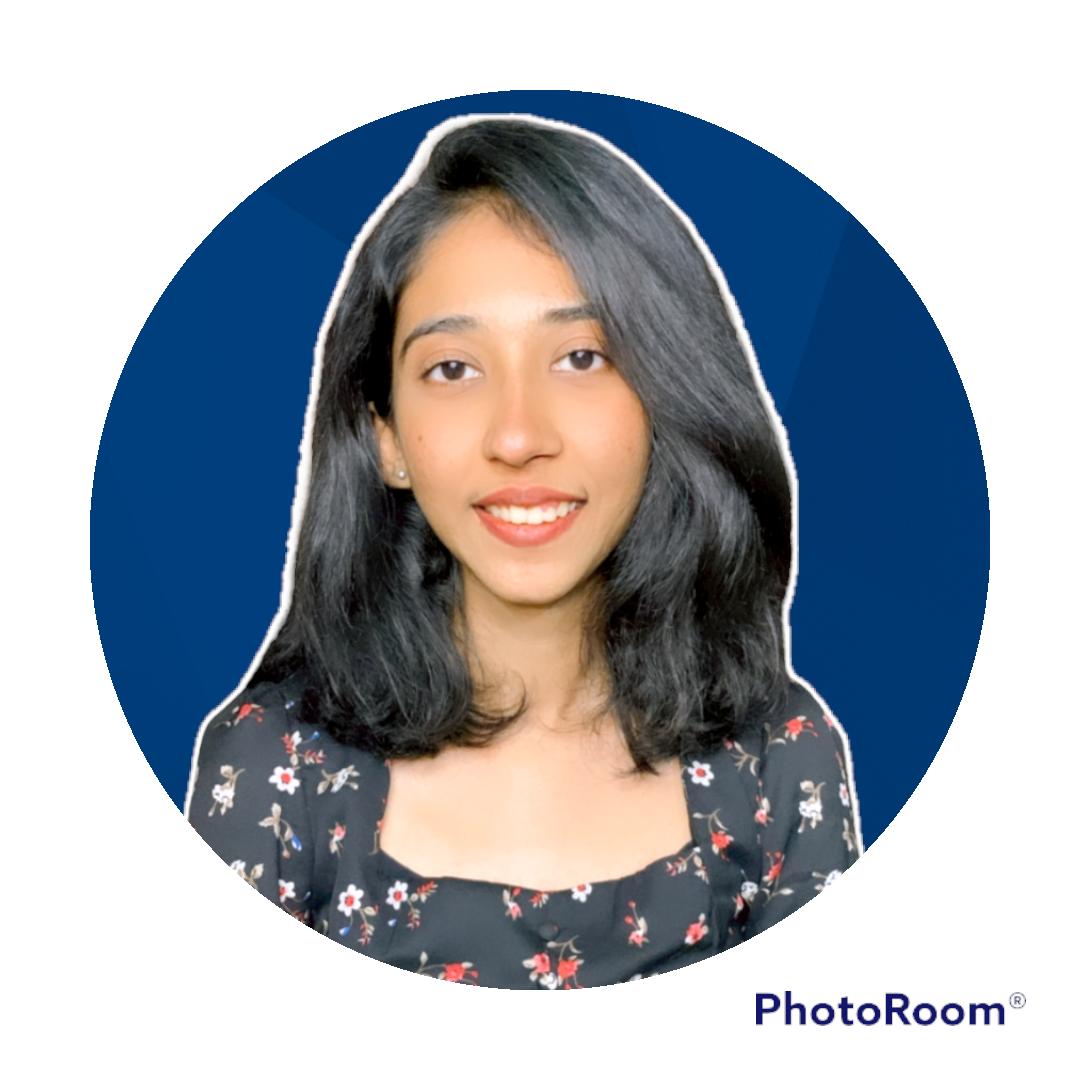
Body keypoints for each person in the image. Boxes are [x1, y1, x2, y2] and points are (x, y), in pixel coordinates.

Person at [185, 115, 861, 988]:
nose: (516, 437)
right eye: (454, 370)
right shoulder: (276, 767)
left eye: (581, 357)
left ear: (667, 401)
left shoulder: (778, 759)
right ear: (384, 435)